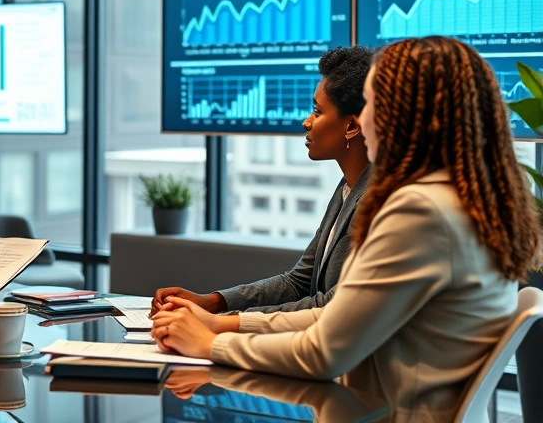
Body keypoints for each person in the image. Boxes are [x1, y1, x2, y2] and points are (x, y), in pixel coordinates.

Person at [151, 36, 541, 420]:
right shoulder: (467, 200)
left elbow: (324, 352)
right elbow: (340, 316)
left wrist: (212, 344)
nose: (364, 117)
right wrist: (222, 324)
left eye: (373, 103)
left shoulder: (419, 210)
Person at [152, 46, 374, 315]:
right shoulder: (347, 188)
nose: (306, 122)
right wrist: (212, 302)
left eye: (317, 111)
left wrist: (224, 323)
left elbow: (332, 306)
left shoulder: (376, 199)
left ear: (351, 126)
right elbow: (298, 282)